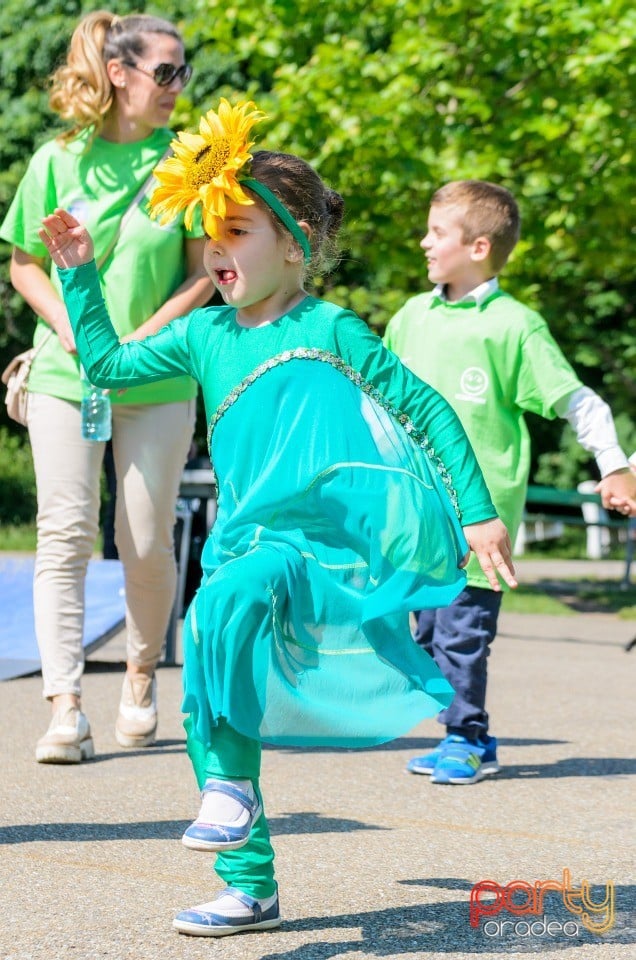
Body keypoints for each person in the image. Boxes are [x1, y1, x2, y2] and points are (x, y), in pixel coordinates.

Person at [39, 98, 517, 936]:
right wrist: (79, 272)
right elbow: (109, 364)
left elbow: (429, 411)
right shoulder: (204, 336)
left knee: (223, 607)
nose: (218, 253)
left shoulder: (331, 327)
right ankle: (250, 880)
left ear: (293, 242)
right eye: (210, 237)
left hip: (317, 551)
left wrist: (477, 516)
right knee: (207, 688)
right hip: (243, 542)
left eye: (239, 233)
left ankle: (227, 798)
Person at [0, 11, 213, 763]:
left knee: (145, 539)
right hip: (68, 375)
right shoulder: (57, 161)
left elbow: (204, 273)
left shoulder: (187, 164)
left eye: (183, 71)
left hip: (156, 376)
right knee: (62, 534)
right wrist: (65, 323)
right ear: (119, 73)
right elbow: (24, 261)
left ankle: (141, 673)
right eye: (165, 72)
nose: (177, 87)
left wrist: (150, 332)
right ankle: (64, 706)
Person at [383, 180, 636, 785]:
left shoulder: (515, 327)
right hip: (415, 519)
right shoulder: (409, 317)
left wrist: (614, 464)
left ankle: (467, 737)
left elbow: (580, 403)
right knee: (423, 636)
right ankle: (464, 732)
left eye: (436, 232)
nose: (423, 241)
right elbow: (372, 402)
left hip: (481, 525)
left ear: (477, 247)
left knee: (463, 634)